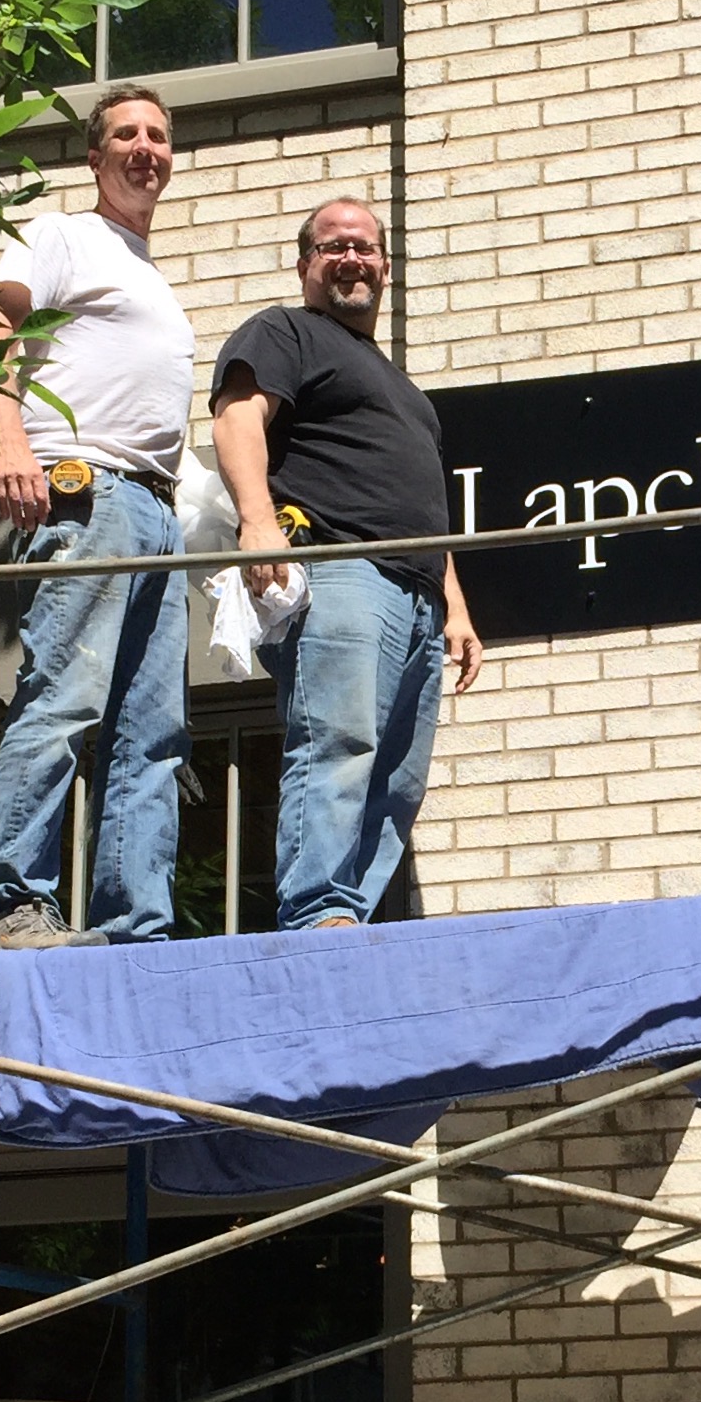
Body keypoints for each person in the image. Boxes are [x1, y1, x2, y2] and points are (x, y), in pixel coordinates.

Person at [210, 197, 482, 928]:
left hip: (418, 595)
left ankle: (347, 916)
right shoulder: (285, 331)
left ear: (386, 267)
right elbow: (237, 418)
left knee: (399, 776)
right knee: (339, 739)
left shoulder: (405, 392)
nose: (351, 258)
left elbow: (422, 504)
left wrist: (454, 605)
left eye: (364, 247)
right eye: (333, 247)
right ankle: (317, 913)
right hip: (341, 570)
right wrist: (257, 521)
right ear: (305, 263)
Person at [0, 84, 196, 950]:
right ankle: (12, 903)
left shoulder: (149, 273)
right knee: (63, 693)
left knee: (152, 732)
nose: (146, 147)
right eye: (126, 134)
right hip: (86, 488)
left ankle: (135, 924)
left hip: (156, 509)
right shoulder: (62, 234)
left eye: (158, 135)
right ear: (95, 158)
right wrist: (11, 440)